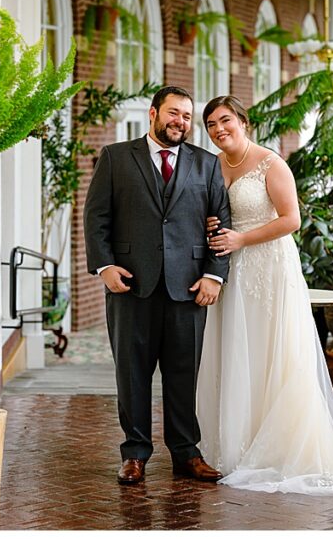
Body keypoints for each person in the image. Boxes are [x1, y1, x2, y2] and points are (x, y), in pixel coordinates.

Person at [197, 95, 333, 494]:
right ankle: (235, 441)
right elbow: (215, 212)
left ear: (244, 122)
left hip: (269, 266)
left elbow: (291, 219)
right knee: (237, 350)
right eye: (211, 124)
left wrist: (242, 238)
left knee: (274, 351)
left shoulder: (271, 162)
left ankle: (277, 447)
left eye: (225, 120)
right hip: (233, 270)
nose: (219, 129)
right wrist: (215, 222)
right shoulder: (214, 165)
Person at [83, 86, 232, 485]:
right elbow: (96, 217)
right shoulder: (116, 157)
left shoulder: (207, 164)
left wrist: (214, 274)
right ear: (153, 114)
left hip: (188, 289)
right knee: (132, 374)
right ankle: (134, 453)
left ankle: (186, 453)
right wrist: (104, 267)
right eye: (173, 113)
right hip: (130, 286)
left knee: (185, 375)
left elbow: (222, 222)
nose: (180, 122)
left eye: (186, 116)